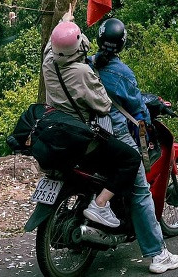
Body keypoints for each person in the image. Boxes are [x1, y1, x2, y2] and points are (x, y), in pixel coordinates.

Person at [92, 17, 178, 275]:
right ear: (122, 44)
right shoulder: (122, 73)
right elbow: (137, 109)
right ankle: (157, 255)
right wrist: (148, 125)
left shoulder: (87, 65)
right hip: (116, 133)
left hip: (91, 131)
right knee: (140, 191)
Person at [42, 18, 140, 229]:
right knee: (131, 159)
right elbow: (103, 106)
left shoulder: (48, 62)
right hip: (81, 139)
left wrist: (64, 22)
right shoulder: (83, 72)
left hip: (56, 131)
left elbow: (52, 45)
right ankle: (101, 203)